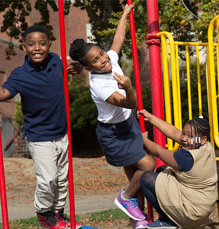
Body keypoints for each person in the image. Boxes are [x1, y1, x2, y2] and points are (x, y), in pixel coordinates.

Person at [0, 25, 81, 229]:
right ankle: (44, 213)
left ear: (50, 45)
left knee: (62, 179)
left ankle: (58, 213)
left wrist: (76, 67)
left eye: (42, 43)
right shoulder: (20, 75)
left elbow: (72, 68)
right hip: (40, 136)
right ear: (24, 47)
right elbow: (1, 96)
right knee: (48, 179)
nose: (38, 48)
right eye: (32, 44)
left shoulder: (55, 61)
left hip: (62, 133)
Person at [68, 4, 155, 228]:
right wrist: (129, 86)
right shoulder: (99, 86)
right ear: (88, 68)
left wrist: (125, 13)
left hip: (128, 124)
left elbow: (118, 38)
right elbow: (130, 102)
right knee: (148, 166)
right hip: (114, 133)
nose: (103, 59)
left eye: (101, 53)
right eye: (96, 61)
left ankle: (139, 219)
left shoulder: (111, 61)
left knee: (136, 176)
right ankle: (124, 198)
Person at [138, 109, 218, 229]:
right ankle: (171, 216)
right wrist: (150, 117)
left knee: (146, 178)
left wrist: (143, 139)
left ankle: (168, 220)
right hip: (201, 208)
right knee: (162, 171)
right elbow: (173, 131)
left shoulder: (186, 157)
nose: (184, 138)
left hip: (191, 212)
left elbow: (159, 152)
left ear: (203, 139)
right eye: (184, 133)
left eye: (190, 136)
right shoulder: (205, 146)